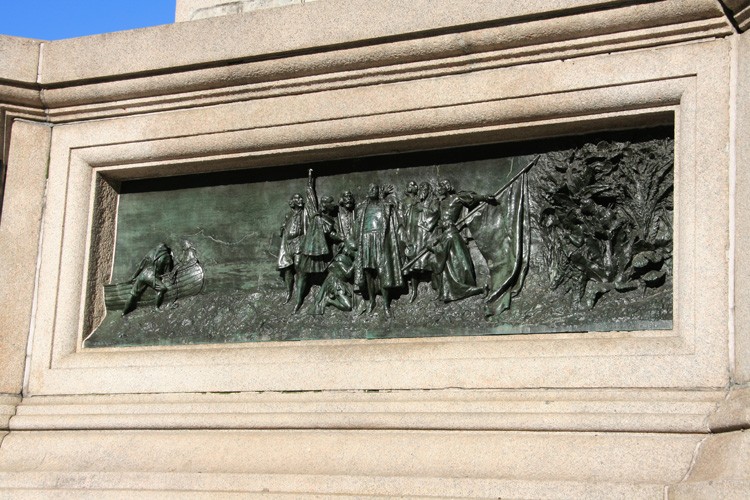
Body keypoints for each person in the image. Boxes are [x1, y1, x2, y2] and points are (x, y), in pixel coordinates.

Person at [353, 183, 404, 316]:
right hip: (366, 240)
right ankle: (371, 301)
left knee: (383, 272)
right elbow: (357, 226)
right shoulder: (362, 208)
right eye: (369, 189)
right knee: (368, 272)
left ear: (378, 191)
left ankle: (386, 305)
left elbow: (396, 214)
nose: (371, 190)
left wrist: (384, 196)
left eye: (374, 188)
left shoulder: (385, 206)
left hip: (380, 241)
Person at [430, 217, 485, 302]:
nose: (440, 224)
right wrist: (439, 238)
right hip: (459, 262)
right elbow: (444, 239)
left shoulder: (449, 236)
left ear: (446, 224)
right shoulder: (454, 233)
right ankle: (444, 293)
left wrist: (431, 248)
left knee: (457, 284)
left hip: (455, 266)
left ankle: (480, 289)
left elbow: (441, 251)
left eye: (442, 222)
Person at [403, 181, 440, 302]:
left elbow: (435, 212)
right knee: (413, 263)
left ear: (429, 190)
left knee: (431, 261)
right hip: (416, 236)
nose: (421, 191)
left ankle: (438, 288)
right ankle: (414, 291)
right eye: (421, 188)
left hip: (428, 235)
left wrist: (422, 209)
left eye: (425, 188)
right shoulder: (417, 201)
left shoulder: (434, 201)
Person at [122, 243, 174, 316]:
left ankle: (124, 312)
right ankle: (156, 307)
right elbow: (167, 273)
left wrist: (133, 277)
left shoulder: (151, 252)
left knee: (133, 294)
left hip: (143, 274)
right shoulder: (167, 257)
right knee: (162, 289)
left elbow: (140, 267)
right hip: (152, 276)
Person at [313, 239, 357, 315]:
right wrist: (354, 264)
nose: (355, 253)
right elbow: (348, 274)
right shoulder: (340, 259)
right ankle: (329, 300)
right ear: (347, 250)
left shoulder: (348, 259)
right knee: (348, 306)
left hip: (342, 282)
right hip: (335, 283)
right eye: (354, 251)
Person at [277, 193, 306, 303]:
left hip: (299, 242)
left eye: (300, 198)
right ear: (292, 201)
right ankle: (289, 292)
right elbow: (283, 229)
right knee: (287, 269)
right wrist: (282, 229)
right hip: (288, 244)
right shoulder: (288, 215)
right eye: (297, 198)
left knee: (299, 267)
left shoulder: (304, 213)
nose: (300, 200)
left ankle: (299, 296)